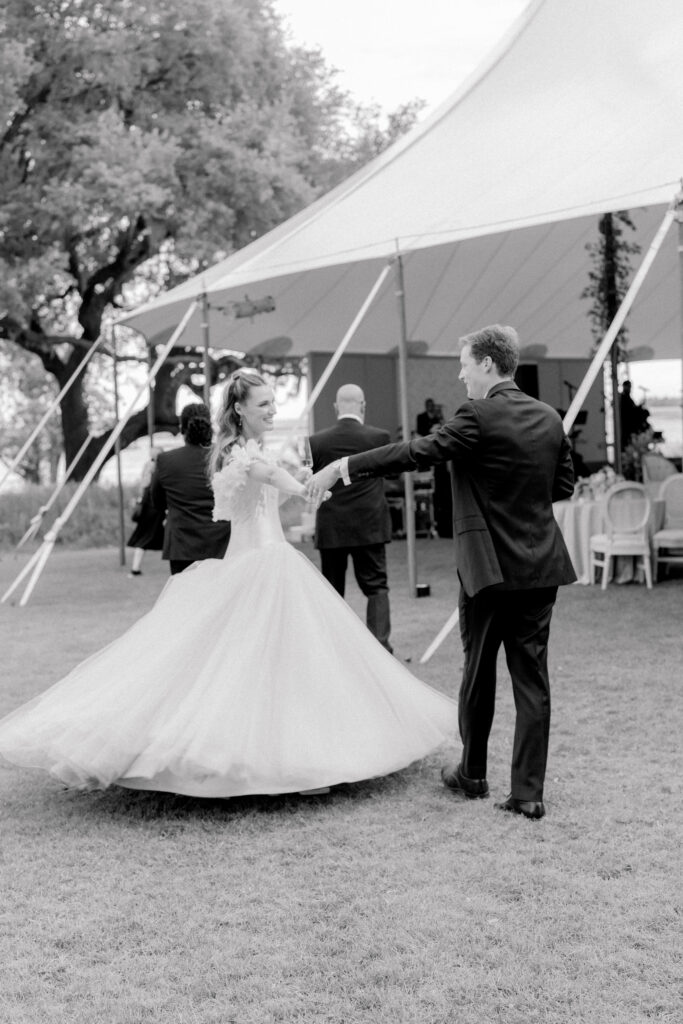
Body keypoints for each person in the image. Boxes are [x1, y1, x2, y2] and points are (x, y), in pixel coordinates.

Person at [0, 369, 456, 797]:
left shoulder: (253, 451)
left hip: (263, 561)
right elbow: (270, 477)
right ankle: (275, 758)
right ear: (239, 409)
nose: (273, 411)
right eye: (264, 404)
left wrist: (304, 477)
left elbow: (278, 477)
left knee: (291, 661)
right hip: (258, 564)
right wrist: (309, 485)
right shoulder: (239, 453)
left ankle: (304, 752)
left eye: (275, 403)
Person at [308, 325, 577, 820]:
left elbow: (414, 452)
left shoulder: (476, 415)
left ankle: (472, 774)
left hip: (490, 569)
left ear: (489, 366)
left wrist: (342, 466)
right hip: (541, 567)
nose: (460, 374)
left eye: (465, 364)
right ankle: (528, 794)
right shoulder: (549, 418)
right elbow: (563, 485)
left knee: (477, 673)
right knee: (532, 681)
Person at [309, 384, 393, 652]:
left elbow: (312, 480)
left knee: (333, 591)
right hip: (369, 523)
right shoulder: (379, 437)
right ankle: (381, 647)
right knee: (376, 586)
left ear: (335, 407)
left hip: (332, 524)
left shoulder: (316, 441)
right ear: (363, 406)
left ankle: (334, 648)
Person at [151, 403, 230, 574]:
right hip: (222, 542)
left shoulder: (165, 460)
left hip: (182, 544)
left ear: (182, 428)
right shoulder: (224, 457)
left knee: (184, 598)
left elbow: (156, 502)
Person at [126, 447, 165, 576]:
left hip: (147, 507)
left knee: (143, 538)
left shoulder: (147, 468)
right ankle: (135, 568)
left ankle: (135, 568)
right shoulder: (160, 469)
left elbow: (142, 488)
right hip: (155, 509)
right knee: (168, 535)